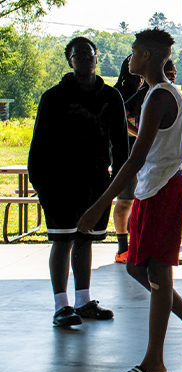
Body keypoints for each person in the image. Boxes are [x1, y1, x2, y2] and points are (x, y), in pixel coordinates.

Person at [77, 28, 182, 372]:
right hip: (153, 188)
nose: (130, 56)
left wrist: (99, 206)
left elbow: (135, 158)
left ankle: (154, 362)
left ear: (149, 57)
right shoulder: (156, 94)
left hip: (162, 188)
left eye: (135, 51)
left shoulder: (159, 96)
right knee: (137, 270)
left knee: (157, 275)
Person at [28, 36, 129, 328]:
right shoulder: (55, 97)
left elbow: (121, 147)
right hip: (59, 182)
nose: (86, 59)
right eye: (79, 55)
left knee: (85, 239)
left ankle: (83, 302)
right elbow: (40, 144)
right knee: (62, 240)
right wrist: (40, 183)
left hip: (96, 181)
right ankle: (62, 306)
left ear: (97, 58)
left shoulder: (111, 97)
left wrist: (115, 186)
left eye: (90, 55)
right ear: (70, 60)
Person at [113, 55, 144, 264]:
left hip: (143, 156)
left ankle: (136, 246)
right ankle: (122, 248)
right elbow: (120, 119)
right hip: (125, 155)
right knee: (125, 201)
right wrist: (138, 133)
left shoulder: (146, 92)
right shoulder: (120, 93)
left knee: (139, 202)